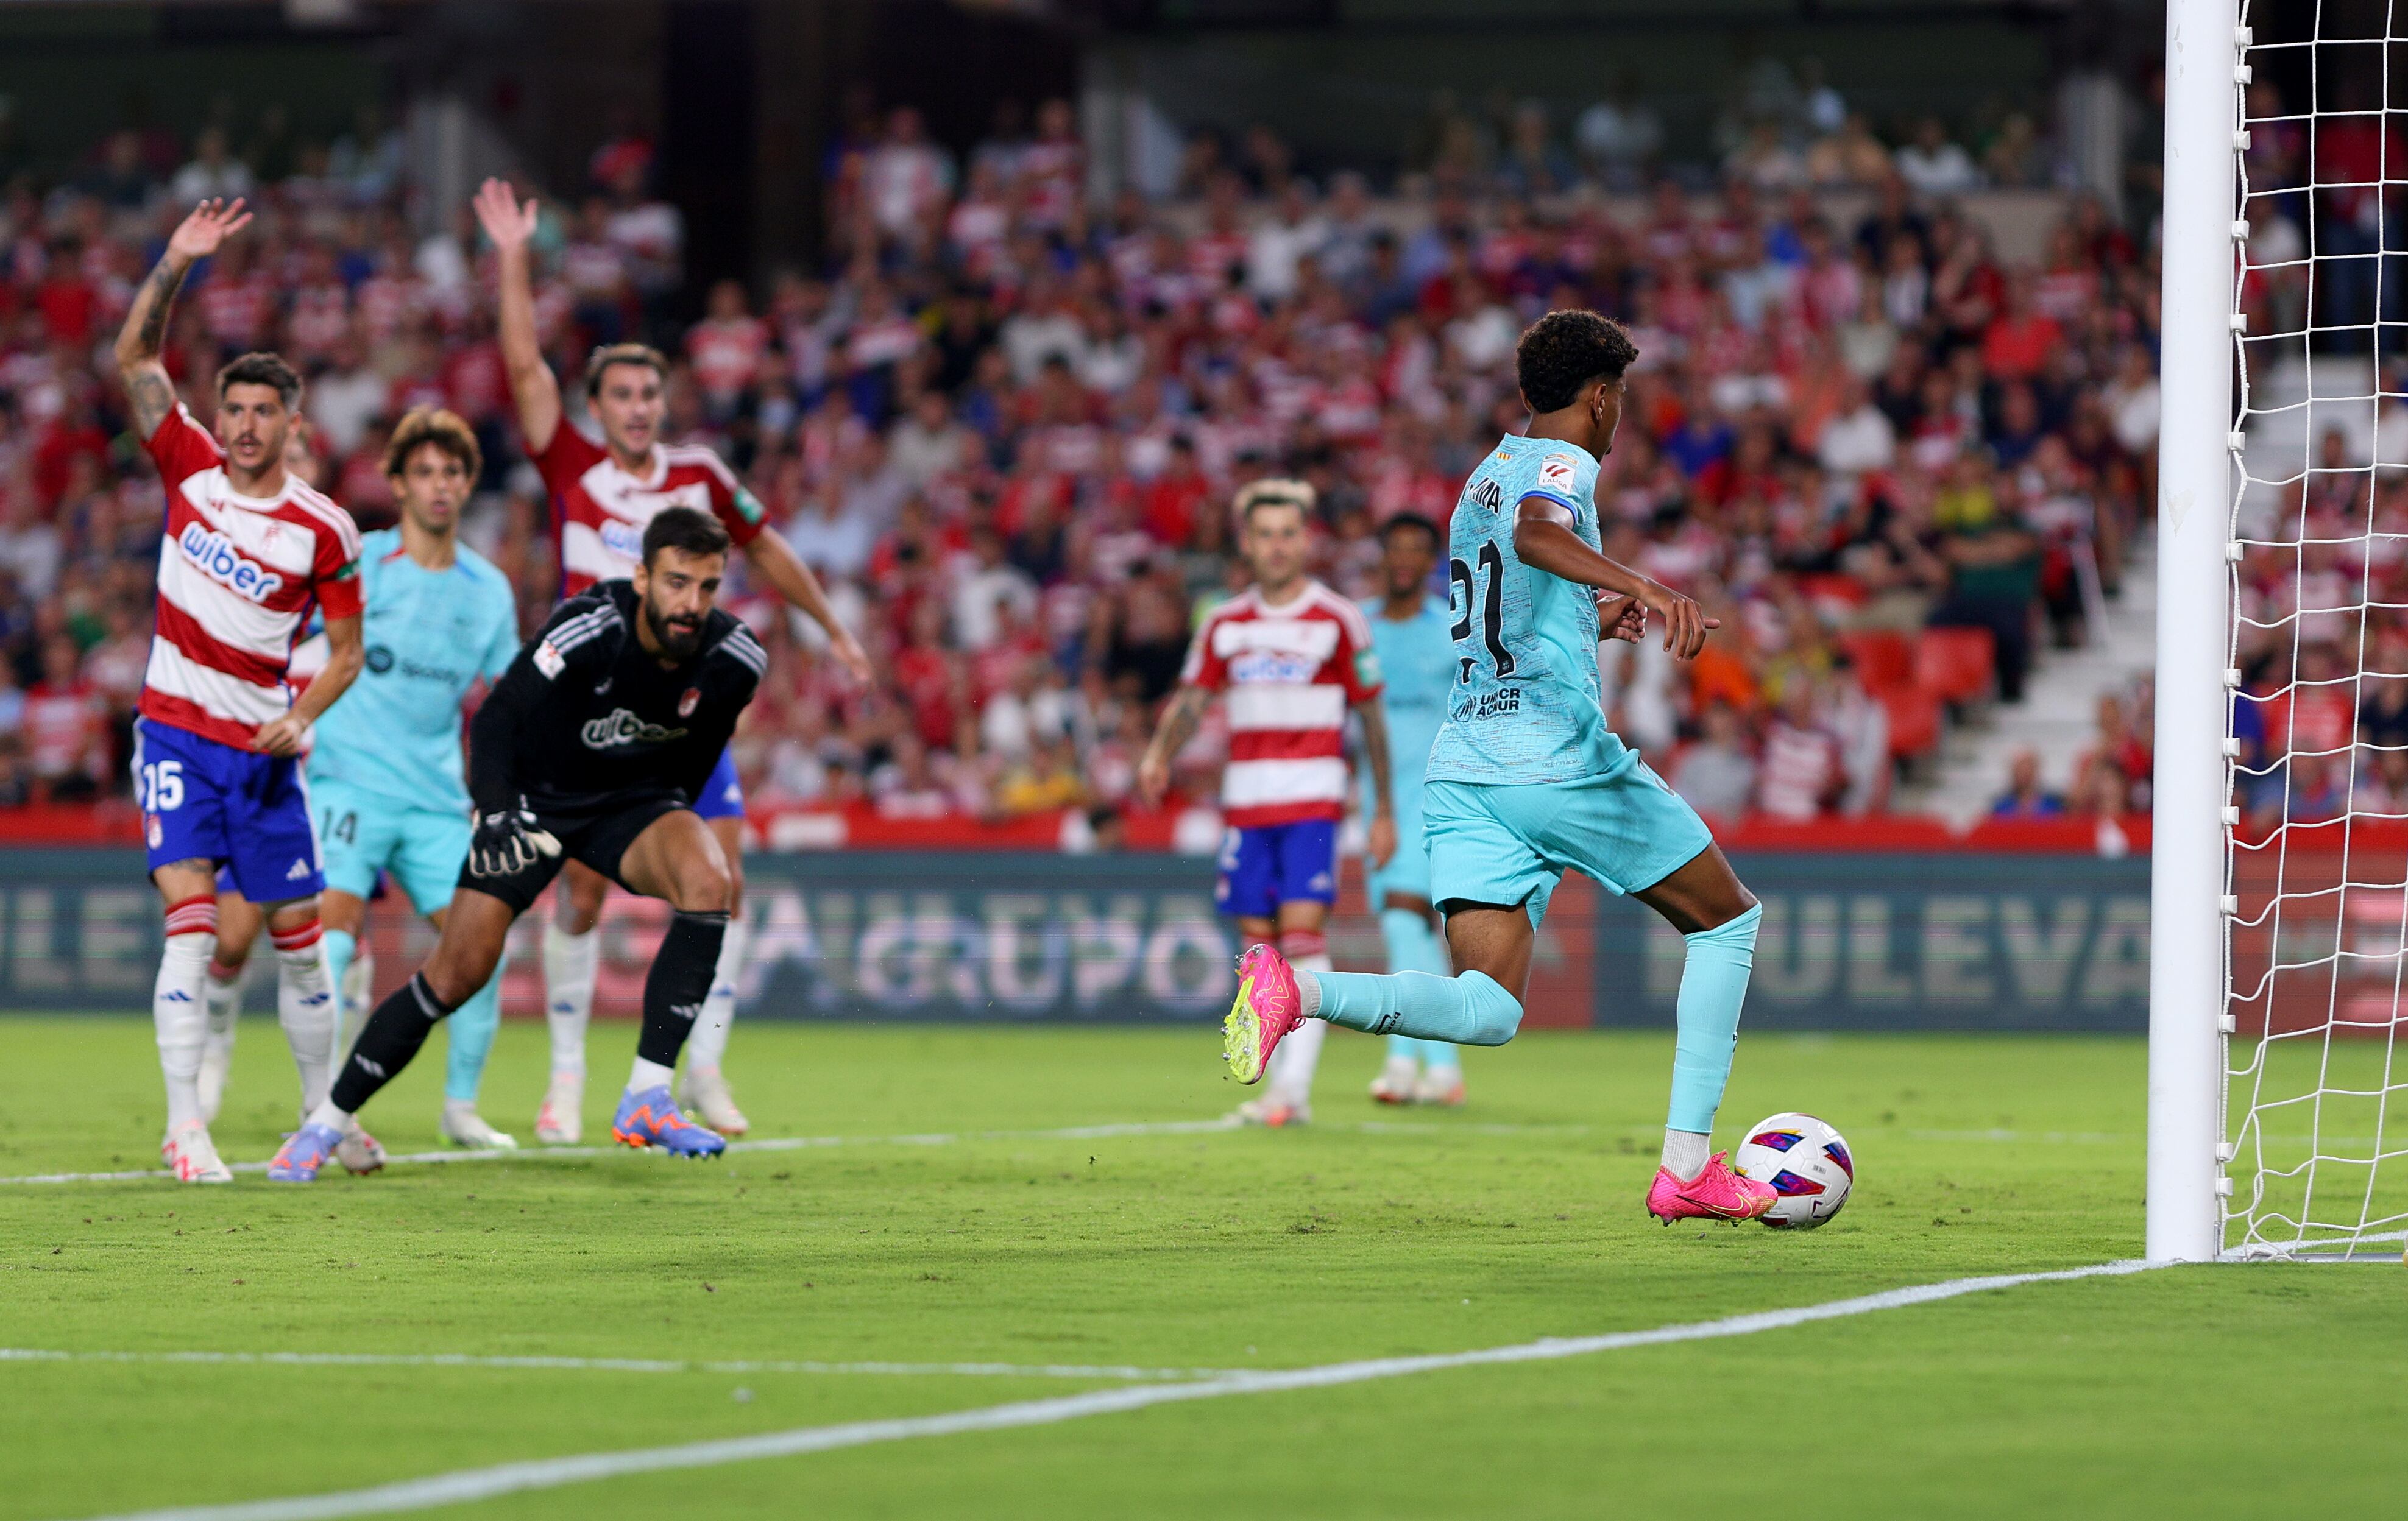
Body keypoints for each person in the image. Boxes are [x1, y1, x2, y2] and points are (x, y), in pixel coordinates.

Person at [1217, 311, 1780, 1224]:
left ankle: (1299, 988)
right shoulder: (1565, 467)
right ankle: (1686, 1167)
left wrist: (1585, 622)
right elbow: (1537, 536)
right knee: (1727, 925)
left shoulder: (1484, 471)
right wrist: (1644, 585)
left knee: (1487, 1008)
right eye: (1621, 398)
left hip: (1465, 768)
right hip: (1550, 758)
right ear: (1601, 398)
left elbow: (1503, 604)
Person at [471, 180, 871, 1145]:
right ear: (600, 405)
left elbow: (767, 549)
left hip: (679, 712)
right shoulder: (572, 463)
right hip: (586, 712)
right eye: (623, 393)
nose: (640, 407)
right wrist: (515, 256)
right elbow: (524, 363)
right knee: (577, 890)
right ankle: (566, 1079)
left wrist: (830, 626)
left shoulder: (699, 474)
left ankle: (703, 1070)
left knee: (720, 875)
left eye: (652, 392)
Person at [267, 507, 765, 1181]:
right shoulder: (590, 626)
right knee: (456, 973)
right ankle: (325, 1123)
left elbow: (698, 754)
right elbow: (499, 718)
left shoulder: (736, 660)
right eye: (677, 583)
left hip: (630, 807)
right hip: (535, 804)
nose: (692, 604)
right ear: (643, 577)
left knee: (710, 879)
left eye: (707, 587)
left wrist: (663, 813)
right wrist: (498, 810)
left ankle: (649, 1091)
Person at [115, 198, 366, 1184]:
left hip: (262, 751)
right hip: (175, 734)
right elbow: (136, 362)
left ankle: (320, 1118)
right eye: (235, 410)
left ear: (293, 424)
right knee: (190, 921)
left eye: (266, 412)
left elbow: (345, 651)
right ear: (218, 418)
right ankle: (187, 1129)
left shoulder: (325, 529)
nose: (247, 425)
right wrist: (176, 258)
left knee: (301, 945)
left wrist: (301, 716)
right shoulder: (187, 470)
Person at [1138, 479, 1398, 1128]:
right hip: (1246, 809)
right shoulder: (1224, 623)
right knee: (1258, 951)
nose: (1278, 546)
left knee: (1304, 940)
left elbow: (1371, 719)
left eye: (1289, 533)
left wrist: (1383, 807)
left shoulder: (1337, 617)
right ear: (1246, 543)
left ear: (1305, 540)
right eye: (1265, 535)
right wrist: (1158, 752)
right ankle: (1277, 1088)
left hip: (1311, 804)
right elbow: (1193, 700)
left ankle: (1292, 1090)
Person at [302, 407, 524, 1148]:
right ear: (396, 484)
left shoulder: (488, 590)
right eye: (424, 472)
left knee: (480, 951)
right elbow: (287, 634)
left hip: (434, 800)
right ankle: (326, 1105)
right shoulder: (361, 563)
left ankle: (460, 1109)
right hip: (348, 785)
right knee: (330, 943)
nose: (440, 486)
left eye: (453, 472)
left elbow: (512, 700)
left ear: (468, 485)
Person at [1359, 514, 1469, 1107]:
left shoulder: (1451, 629)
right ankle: (1439, 1067)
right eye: (1394, 547)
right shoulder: (1358, 627)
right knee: (1411, 930)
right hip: (1376, 799)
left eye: (1416, 551)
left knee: (1406, 922)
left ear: (1431, 561)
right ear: (1381, 555)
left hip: (1437, 798)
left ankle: (1407, 1061)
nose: (1404, 559)